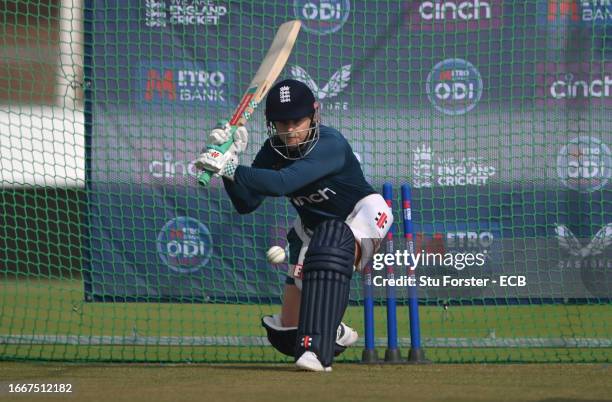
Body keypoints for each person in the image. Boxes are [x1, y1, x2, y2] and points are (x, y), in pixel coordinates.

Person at [196, 79, 393, 372]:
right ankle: (332, 330)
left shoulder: (330, 144)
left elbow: (282, 183)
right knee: (288, 335)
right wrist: (231, 161)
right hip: (312, 229)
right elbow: (246, 203)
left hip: (362, 214)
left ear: (314, 115)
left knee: (332, 239)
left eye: (296, 121)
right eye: (281, 122)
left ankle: (317, 351)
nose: (289, 129)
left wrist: (228, 166)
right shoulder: (274, 149)